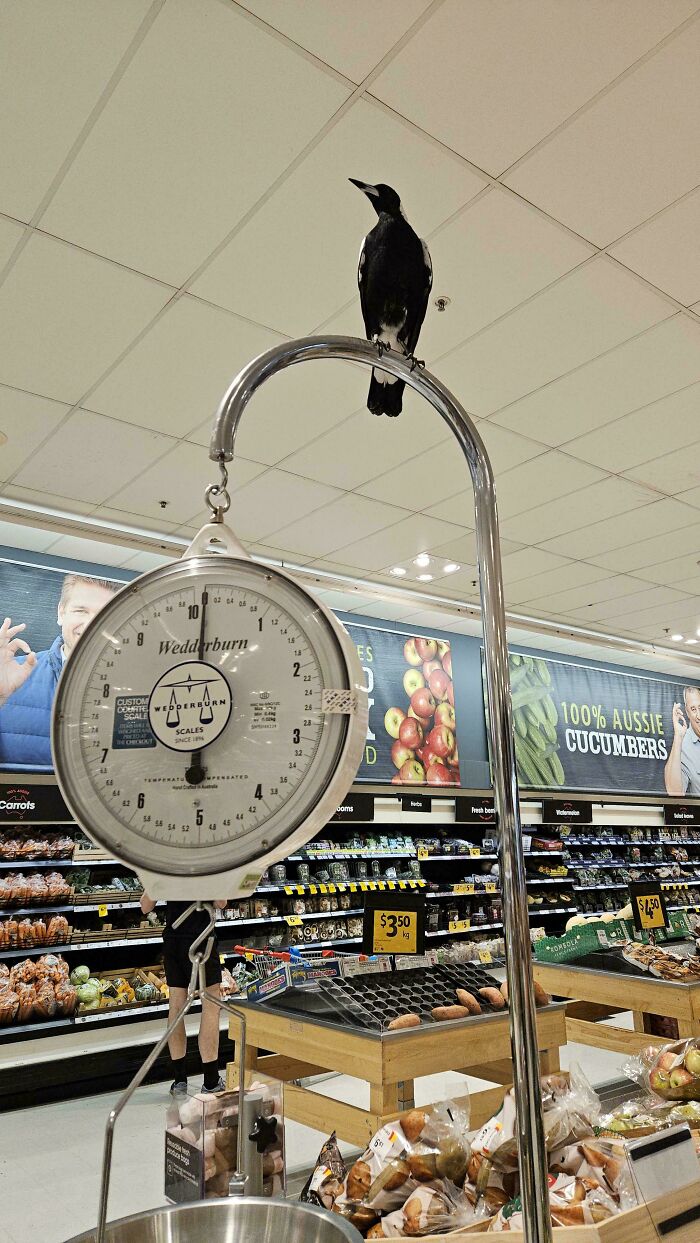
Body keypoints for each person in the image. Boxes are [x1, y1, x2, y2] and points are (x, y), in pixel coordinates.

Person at [0, 574, 118, 767]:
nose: (91, 623)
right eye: (81, 610)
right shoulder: (11, 677)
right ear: (61, 613)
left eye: (103, 613)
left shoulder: (137, 687)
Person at [141, 894, 228, 1095]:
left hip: (173, 939)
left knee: (176, 1007)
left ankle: (179, 1080)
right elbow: (221, 902)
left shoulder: (167, 862)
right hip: (201, 938)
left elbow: (145, 906)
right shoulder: (206, 863)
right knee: (211, 1005)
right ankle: (211, 1080)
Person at [664, 686, 700, 796]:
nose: (699, 715)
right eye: (693, 709)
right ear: (687, 713)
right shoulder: (684, 747)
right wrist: (678, 736)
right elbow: (675, 793)